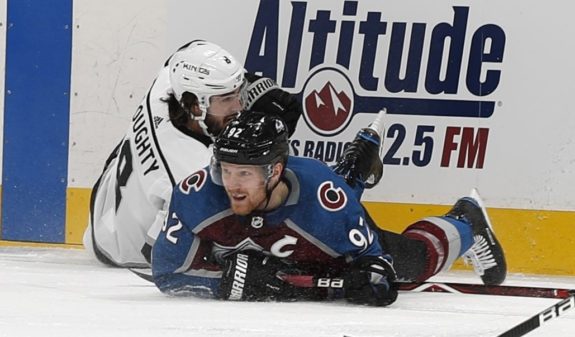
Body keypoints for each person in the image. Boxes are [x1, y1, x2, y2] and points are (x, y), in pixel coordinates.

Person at [151, 111, 507, 306]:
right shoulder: (196, 196)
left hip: (321, 232)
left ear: (274, 171)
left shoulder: (325, 205)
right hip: (307, 216)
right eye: (226, 170)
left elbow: (379, 274)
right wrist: (223, 282)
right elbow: (168, 273)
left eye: (244, 173)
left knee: (411, 264)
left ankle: (465, 221)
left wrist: (367, 281)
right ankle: (355, 167)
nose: (231, 184)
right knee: (336, 192)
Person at [84, 40, 303, 267]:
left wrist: (254, 85)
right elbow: (159, 253)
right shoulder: (190, 176)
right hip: (123, 249)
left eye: (239, 93)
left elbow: (190, 48)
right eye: (226, 98)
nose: (239, 107)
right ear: (195, 106)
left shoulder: (167, 82)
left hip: (109, 193)